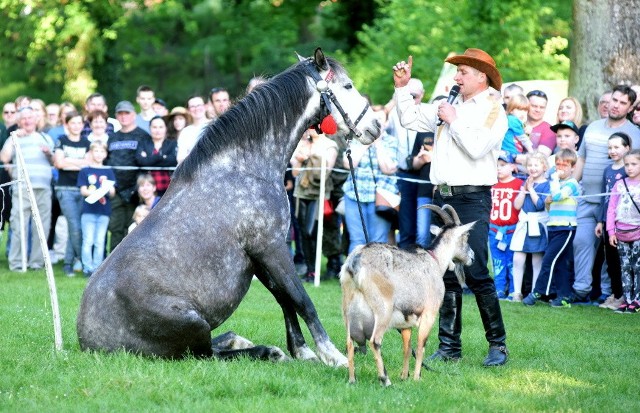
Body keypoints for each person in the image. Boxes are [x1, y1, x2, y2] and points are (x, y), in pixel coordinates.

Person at [393, 48, 509, 366]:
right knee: (443, 272)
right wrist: (402, 88)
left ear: (481, 76)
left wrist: (453, 121)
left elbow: (476, 148)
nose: (456, 77)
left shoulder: (494, 108)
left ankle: (498, 345)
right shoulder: (450, 103)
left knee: (474, 270)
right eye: (456, 71)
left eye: (462, 72)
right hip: (442, 197)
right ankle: (449, 348)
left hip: (472, 198)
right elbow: (409, 119)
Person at [573, 85, 640, 304]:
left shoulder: (634, 134)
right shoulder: (592, 127)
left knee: (609, 251)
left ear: (630, 107)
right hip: (586, 197)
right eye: (614, 100)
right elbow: (581, 158)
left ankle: (609, 292)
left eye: (622, 102)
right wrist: (572, 185)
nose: (616, 105)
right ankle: (580, 291)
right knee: (581, 242)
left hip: (615, 204)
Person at [523, 148, 581, 307]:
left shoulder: (572, 184)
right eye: (557, 165)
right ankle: (564, 297)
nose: (560, 168)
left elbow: (556, 196)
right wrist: (549, 199)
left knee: (548, 259)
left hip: (566, 228)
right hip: (553, 226)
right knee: (560, 263)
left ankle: (537, 292)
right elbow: (549, 205)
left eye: (564, 165)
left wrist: (554, 181)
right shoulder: (557, 184)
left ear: (573, 167)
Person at [0, 107, 54, 271]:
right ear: (19, 121)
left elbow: (53, 162)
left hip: (43, 188)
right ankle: (17, 263)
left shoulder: (45, 137)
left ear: (36, 120)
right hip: (22, 188)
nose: (27, 120)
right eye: (24, 118)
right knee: (18, 224)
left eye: (30, 117)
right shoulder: (14, 138)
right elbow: (4, 158)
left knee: (42, 226)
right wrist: (14, 138)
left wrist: (48, 154)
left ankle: (37, 263)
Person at [290, 128, 339, 282]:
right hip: (301, 193)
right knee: (303, 233)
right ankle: (309, 270)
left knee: (313, 232)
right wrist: (299, 158)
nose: (312, 129)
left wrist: (311, 155)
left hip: (319, 193)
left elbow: (326, 171)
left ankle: (314, 270)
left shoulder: (330, 145)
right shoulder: (302, 144)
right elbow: (295, 172)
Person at [107, 100, 150, 252]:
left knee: (133, 227)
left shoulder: (143, 136)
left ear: (133, 115)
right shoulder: (112, 137)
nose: (124, 116)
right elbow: (107, 161)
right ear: (116, 116)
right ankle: (112, 263)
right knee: (116, 227)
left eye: (127, 113)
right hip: (116, 189)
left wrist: (139, 187)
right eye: (120, 113)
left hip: (135, 189)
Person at [386, 78, 424, 248]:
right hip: (402, 173)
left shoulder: (427, 113)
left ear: (422, 95)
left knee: (423, 222)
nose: (411, 99)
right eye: (407, 96)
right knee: (405, 221)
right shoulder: (394, 115)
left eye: (414, 96)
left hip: (425, 173)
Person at [53, 111, 91, 276]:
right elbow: (59, 164)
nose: (76, 126)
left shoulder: (86, 142)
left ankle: (68, 263)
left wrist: (69, 161)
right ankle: (83, 262)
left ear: (82, 125)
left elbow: (88, 164)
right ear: (67, 124)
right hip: (65, 189)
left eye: (79, 123)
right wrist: (79, 163)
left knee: (75, 227)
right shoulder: (62, 140)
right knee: (75, 226)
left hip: (82, 189)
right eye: (72, 123)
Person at [596, 132, 631, 310]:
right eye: (610, 147)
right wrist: (601, 221)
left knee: (623, 260)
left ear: (627, 148)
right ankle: (616, 293)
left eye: (617, 147)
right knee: (610, 260)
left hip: (624, 222)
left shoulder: (629, 170)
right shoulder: (608, 170)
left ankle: (624, 295)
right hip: (608, 222)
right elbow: (605, 197)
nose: (613, 150)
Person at [510, 151, 550, 302]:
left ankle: (534, 292)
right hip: (524, 224)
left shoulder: (546, 185)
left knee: (536, 261)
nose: (532, 168)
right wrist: (523, 191)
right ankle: (517, 292)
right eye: (530, 165)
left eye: (536, 165)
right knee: (518, 259)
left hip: (537, 224)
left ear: (544, 166)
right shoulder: (524, 183)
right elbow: (517, 205)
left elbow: (540, 205)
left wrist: (531, 189)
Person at [606, 149, 640, 313]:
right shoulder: (619, 184)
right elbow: (611, 208)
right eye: (627, 164)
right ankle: (626, 299)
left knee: (638, 266)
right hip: (621, 232)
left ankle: (637, 300)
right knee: (625, 267)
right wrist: (611, 231)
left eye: (634, 164)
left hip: (638, 232)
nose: (630, 167)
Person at [77, 141, 115, 277]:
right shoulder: (85, 170)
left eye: (101, 151)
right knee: (88, 240)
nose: (99, 154)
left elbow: (112, 192)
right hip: (88, 211)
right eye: (96, 151)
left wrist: (107, 188)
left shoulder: (109, 171)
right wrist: (96, 193)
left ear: (105, 154)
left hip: (104, 211)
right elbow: (83, 190)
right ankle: (87, 267)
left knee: (100, 241)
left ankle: (97, 268)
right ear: (91, 153)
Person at [490, 154, 523, 299]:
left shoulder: (519, 184)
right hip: (494, 229)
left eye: (503, 165)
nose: (498, 168)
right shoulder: (491, 183)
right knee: (497, 262)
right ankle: (499, 289)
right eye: (496, 165)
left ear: (512, 167)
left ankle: (514, 290)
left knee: (512, 262)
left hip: (512, 230)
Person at [135, 115, 177, 196]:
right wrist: (162, 157)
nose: (158, 130)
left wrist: (149, 159)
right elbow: (140, 161)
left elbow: (173, 161)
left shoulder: (172, 143)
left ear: (166, 128)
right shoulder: (143, 142)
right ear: (150, 128)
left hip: (168, 188)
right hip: (147, 189)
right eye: (154, 127)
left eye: (161, 127)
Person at [177, 95, 209, 163]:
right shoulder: (186, 132)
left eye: (199, 105)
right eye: (192, 106)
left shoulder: (214, 126)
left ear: (205, 107)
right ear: (188, 110)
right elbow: (180, 158)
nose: (196, 109)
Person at [525, 90, 556, 156]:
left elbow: (541, 158)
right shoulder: (517, 125)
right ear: (525, 105)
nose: (538, 110)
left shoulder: (549, 130)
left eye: (542, 107)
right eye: (534, 106)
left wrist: (514, 157)